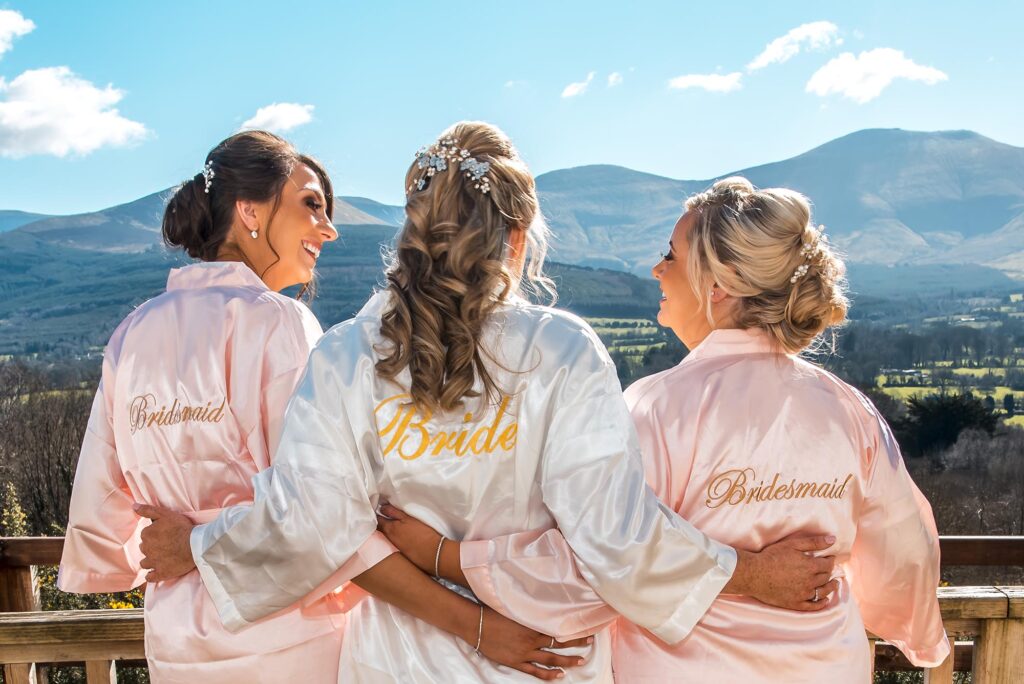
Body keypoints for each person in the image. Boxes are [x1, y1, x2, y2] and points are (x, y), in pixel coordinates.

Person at [138, 123, 838, 683]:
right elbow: (614, 535)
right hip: (548, 663)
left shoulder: (347, 357)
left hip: (395, 666)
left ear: (416, 231)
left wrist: (198, 545)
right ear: (516, 238)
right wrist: (748, 573)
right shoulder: (560, 351)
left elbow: (311, 525)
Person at [59, 130, 587, 683]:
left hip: (176, 641)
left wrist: (167, 548)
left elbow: (100, 505)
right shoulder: (276, 324)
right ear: (249, 211)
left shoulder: (132, 334)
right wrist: (475, 625)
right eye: (311, 204)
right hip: (287, 638)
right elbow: (328, 520)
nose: (329, 229)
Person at [378, 176, 951, 682]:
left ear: (718, 286)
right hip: (828, 664)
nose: (656, 269)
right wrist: (922, 641)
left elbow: (593, 561)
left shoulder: (654, 409)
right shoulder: (849, 411)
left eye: (670, 255)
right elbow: (905, 548)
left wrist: (450, 558)